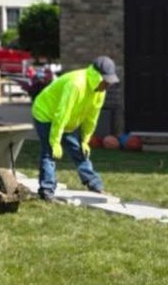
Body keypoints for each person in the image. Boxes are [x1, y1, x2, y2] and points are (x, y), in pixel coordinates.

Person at [31, 56, 119, 201]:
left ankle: (95, 185)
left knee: (79, 150)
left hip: (65, 120)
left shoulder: (100, 91)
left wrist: (85, 140)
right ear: (96, 77)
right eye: (106, 80)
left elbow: (92, 117)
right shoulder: (76, 84)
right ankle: (47, 191)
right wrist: (55, 142)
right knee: (49, 152)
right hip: (45, 113)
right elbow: (62, 113)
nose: (108, 85)